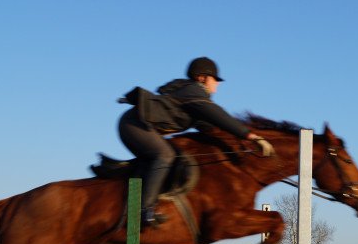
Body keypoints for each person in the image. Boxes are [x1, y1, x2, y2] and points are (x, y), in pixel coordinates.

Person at [117, 57, 274, 226]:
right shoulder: (193, 92)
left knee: (177, 157)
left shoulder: (194, 99)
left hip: (136, 124)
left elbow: (211, 127)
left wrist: (239, 143)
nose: (218, 84)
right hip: (133, 124)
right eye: (216, 79)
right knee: (165, 155)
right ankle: (144, 210)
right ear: (202, 78)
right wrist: (251, 136)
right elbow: (219, 116)